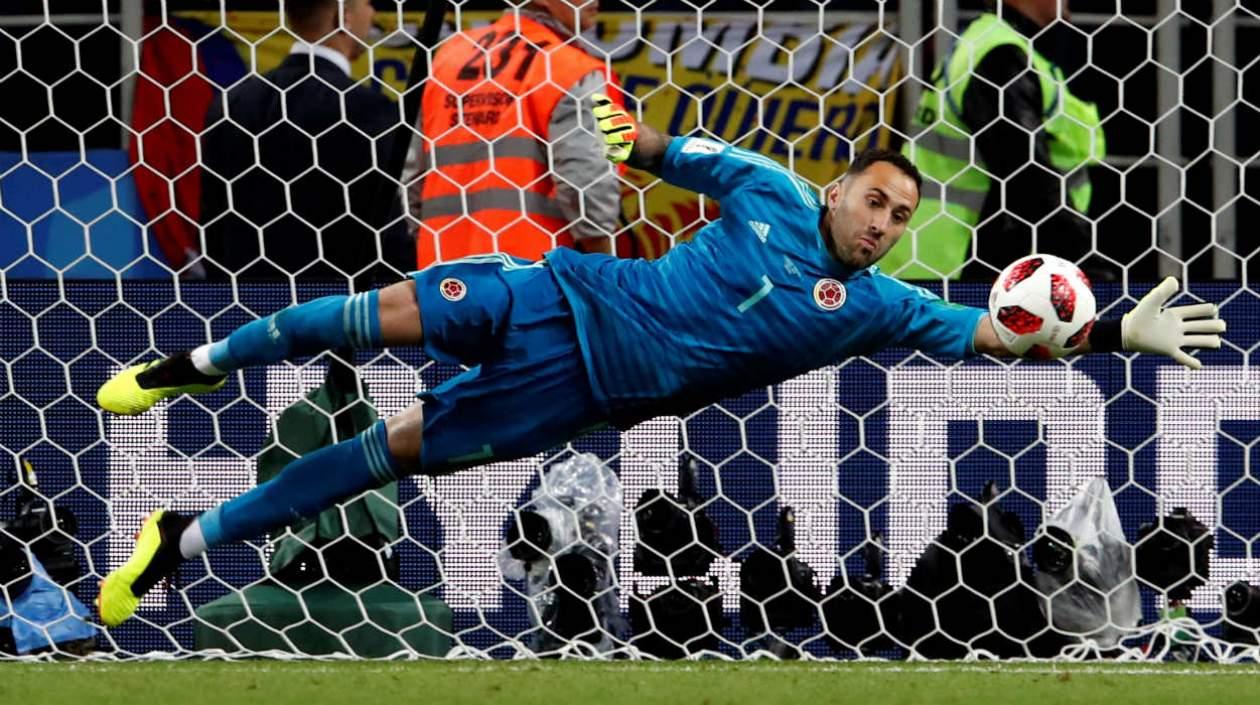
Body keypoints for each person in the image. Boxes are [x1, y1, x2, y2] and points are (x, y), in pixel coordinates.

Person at [94, 96, 1225, 627]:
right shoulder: (768, 187)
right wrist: (606, 117)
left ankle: (181, 540)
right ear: (836, 189)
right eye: (874, 200)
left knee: (379, 457)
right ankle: (198, 357)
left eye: (899, 218)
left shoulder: (878, 307)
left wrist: (1120, 328)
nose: (883, 225)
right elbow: (645, 141)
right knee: (369, 315)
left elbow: (994, 334)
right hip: (555, 295)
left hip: (576, 395)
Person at [881, 0, 1108, 281]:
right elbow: (1027, 176)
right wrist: (1085, 266)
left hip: (937, 256)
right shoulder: (1000, 57)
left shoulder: (994, 44)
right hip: (957, 266)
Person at [199, 0, 414, 281]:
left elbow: (211, 227)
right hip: (337, 310)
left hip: (249, 305)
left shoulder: (232, 104)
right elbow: (387, 228)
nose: (374, 13)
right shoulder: (367, 109)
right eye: (367, 3)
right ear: (343, 17)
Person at [408, 0, 624, 265]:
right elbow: (588, 184)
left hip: (442, 275)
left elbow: (413, 177)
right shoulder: (568, 67)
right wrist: (603, 274)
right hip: (534, 277)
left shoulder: (448, 58)